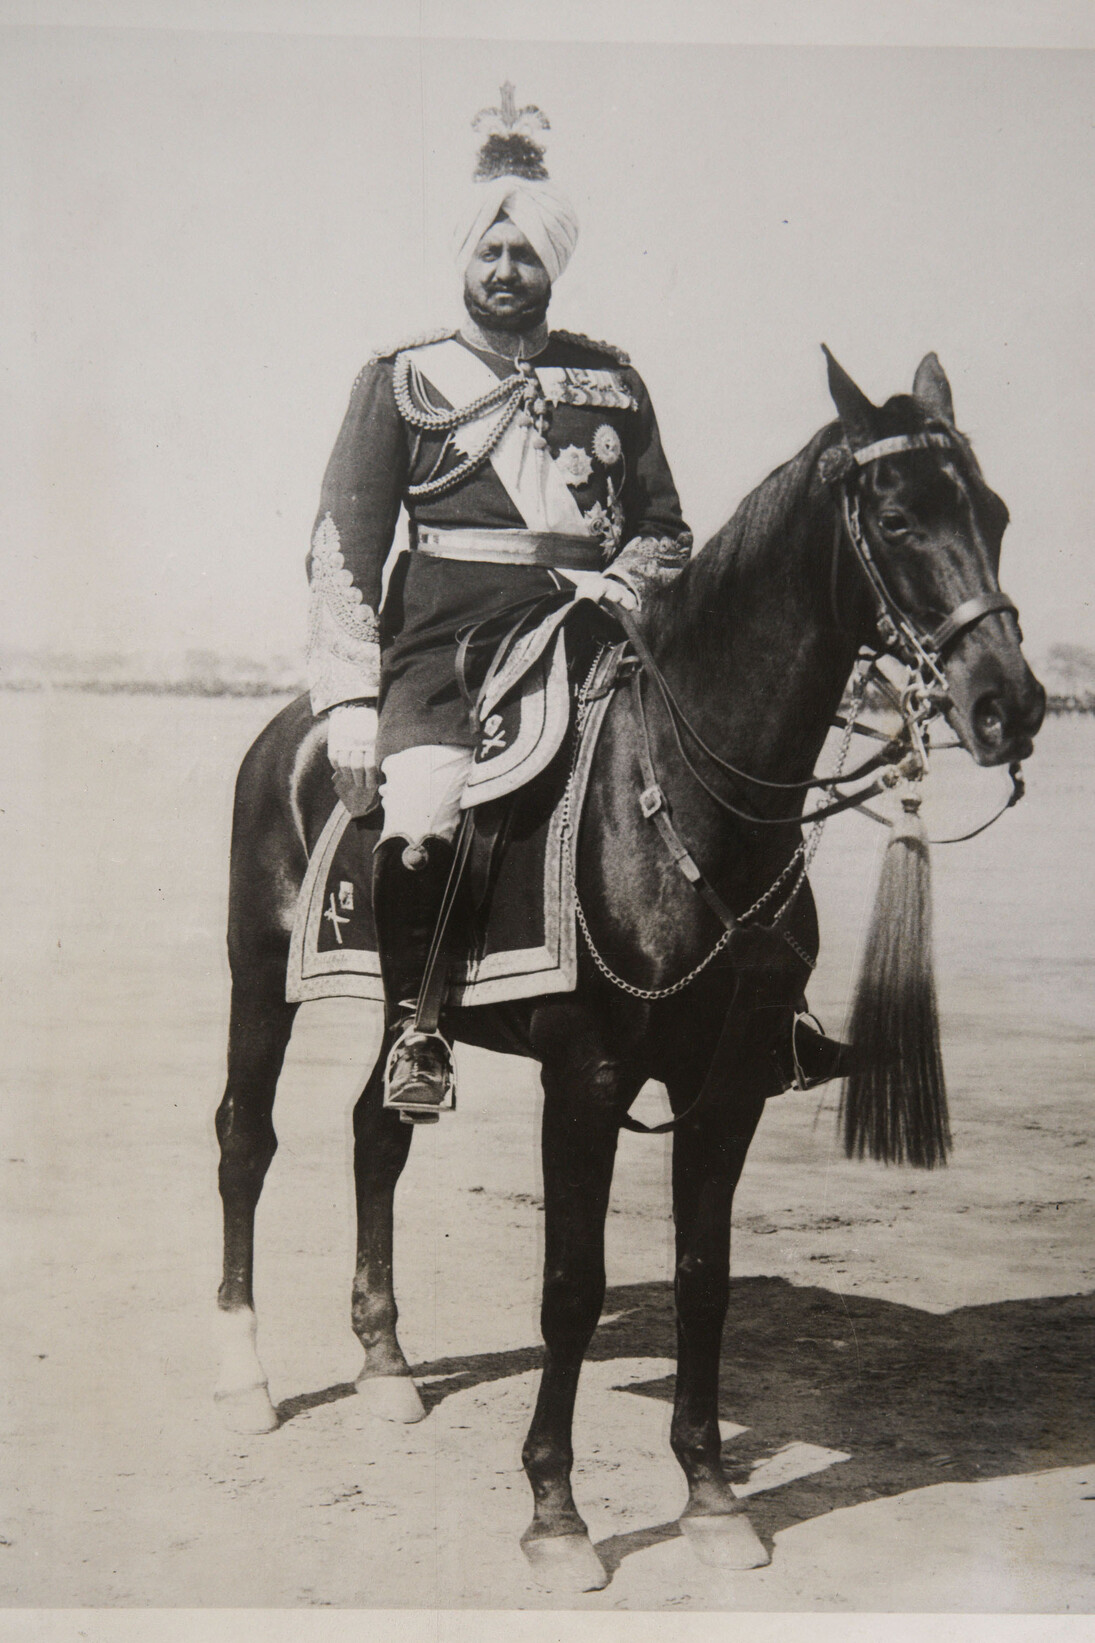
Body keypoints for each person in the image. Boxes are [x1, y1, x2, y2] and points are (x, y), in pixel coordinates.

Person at [305, 86, 843, 1111]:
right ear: (463, 261)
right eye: (489, 254)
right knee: (424, 808)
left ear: (554, 263)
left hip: (605, 635)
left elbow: (665, 523)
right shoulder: (401, 380)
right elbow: (343, 551)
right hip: (451, 654)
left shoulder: (612, 382)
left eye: (526, 256)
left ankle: (774, 1010)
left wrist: (625, 577)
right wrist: (348, 702)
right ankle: (419, 1030)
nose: (507, 272)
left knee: (732, 784)